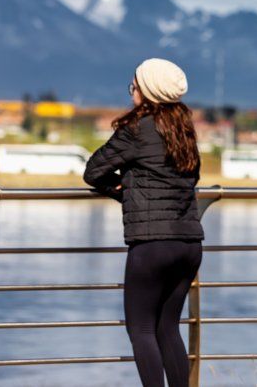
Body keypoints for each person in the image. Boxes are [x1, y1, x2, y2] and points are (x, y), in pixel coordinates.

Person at [83, 58, 203, 387]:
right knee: (168, 328)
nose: (131, 91)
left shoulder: (137, 130)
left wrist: (123, 192)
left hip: (152, 244)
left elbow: (93, 171)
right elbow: (192, 177)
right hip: (189, 242)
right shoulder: (184, 130)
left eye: (134, 85)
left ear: (148, 91)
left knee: (141, 330)